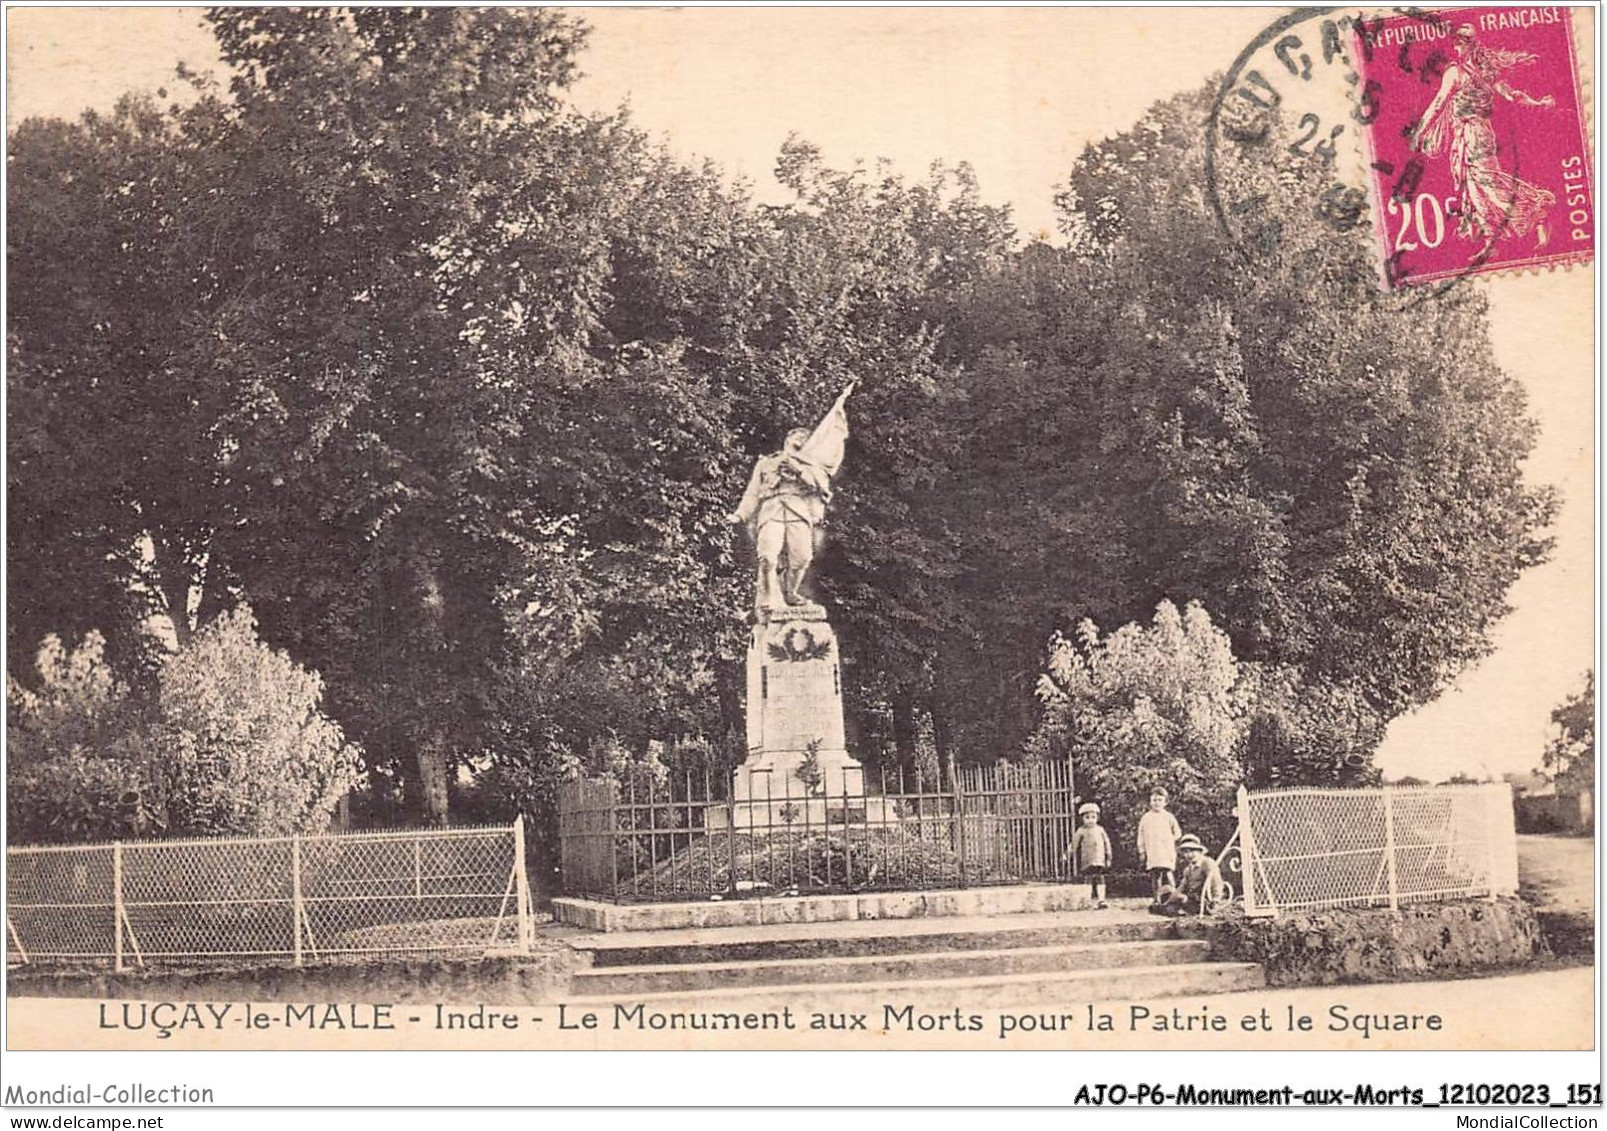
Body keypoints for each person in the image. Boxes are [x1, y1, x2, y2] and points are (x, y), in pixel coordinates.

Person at [1408, 24, 1557, 258]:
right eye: (1456, 42)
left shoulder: (1456, 73)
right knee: (1476, 187)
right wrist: (1538, 103)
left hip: (1471, 134)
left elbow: (1438, 104)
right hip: (1481, 132)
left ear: (1470, 45)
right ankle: (1490, 242)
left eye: (1461, 42)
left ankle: (1537, 215)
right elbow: (1512, 95)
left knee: (1488, 184)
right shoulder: (1486, 71)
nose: (1457, 46)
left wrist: (1419, 133)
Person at [727, 381, 857, 611]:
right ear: (787, 441)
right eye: (794, 438)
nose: (798, 440)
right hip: (772, 509)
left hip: (798, 511)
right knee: (767, 556)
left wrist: (798, 470)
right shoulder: (767, 463)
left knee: (802, 559)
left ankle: (790, 591)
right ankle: (768, 597)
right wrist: (740, 515)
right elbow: (752, 492)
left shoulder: (812, 467)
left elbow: (819, 487)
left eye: (802, 439)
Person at [1154, 834, 1228, 917]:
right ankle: (1166, 907)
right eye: (1186, 852)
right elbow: (1182, 886)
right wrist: (1171, 898)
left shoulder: (1207, 863)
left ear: (1199, 851)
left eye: (1192, 851)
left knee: (1178, 899)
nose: (1189, 855)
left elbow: (1217, 883)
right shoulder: (1188, 869)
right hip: (1191, 900)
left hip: (1205, 901)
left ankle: (1169, 907)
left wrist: (1216, 901)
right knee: (1167, 890)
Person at [1136, 787, 1181, 902]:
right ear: (1150, 802)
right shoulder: (1146, 818)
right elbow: (1140, 835)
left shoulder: (1169, 817)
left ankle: (1173, 897)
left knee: (1168, 873)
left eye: (1160, 800)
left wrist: (1169, 839)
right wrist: (1142, 851)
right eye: (1154, 800)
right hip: (1153, 851)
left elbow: (1178, 833)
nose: (1157, 803)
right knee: (1155, 875)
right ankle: (1157, 899)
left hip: (1166, 851)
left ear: (1165, 802)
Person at [1066, 801, 1112, 908]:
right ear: (1082, 818)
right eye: (1087, 817)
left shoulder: (1100, 830)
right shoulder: (1081, 831)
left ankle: (1101, 900)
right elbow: (1074, 844)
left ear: (1097, 818)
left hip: (1099, 859)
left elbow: (1107, 843)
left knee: (1100, 878)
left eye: (1093, 817)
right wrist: (1068, 853)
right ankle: (1087, 900)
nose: (1090, 820)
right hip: (1087, 859)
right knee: (1088, 879)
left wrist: (1108, 856)